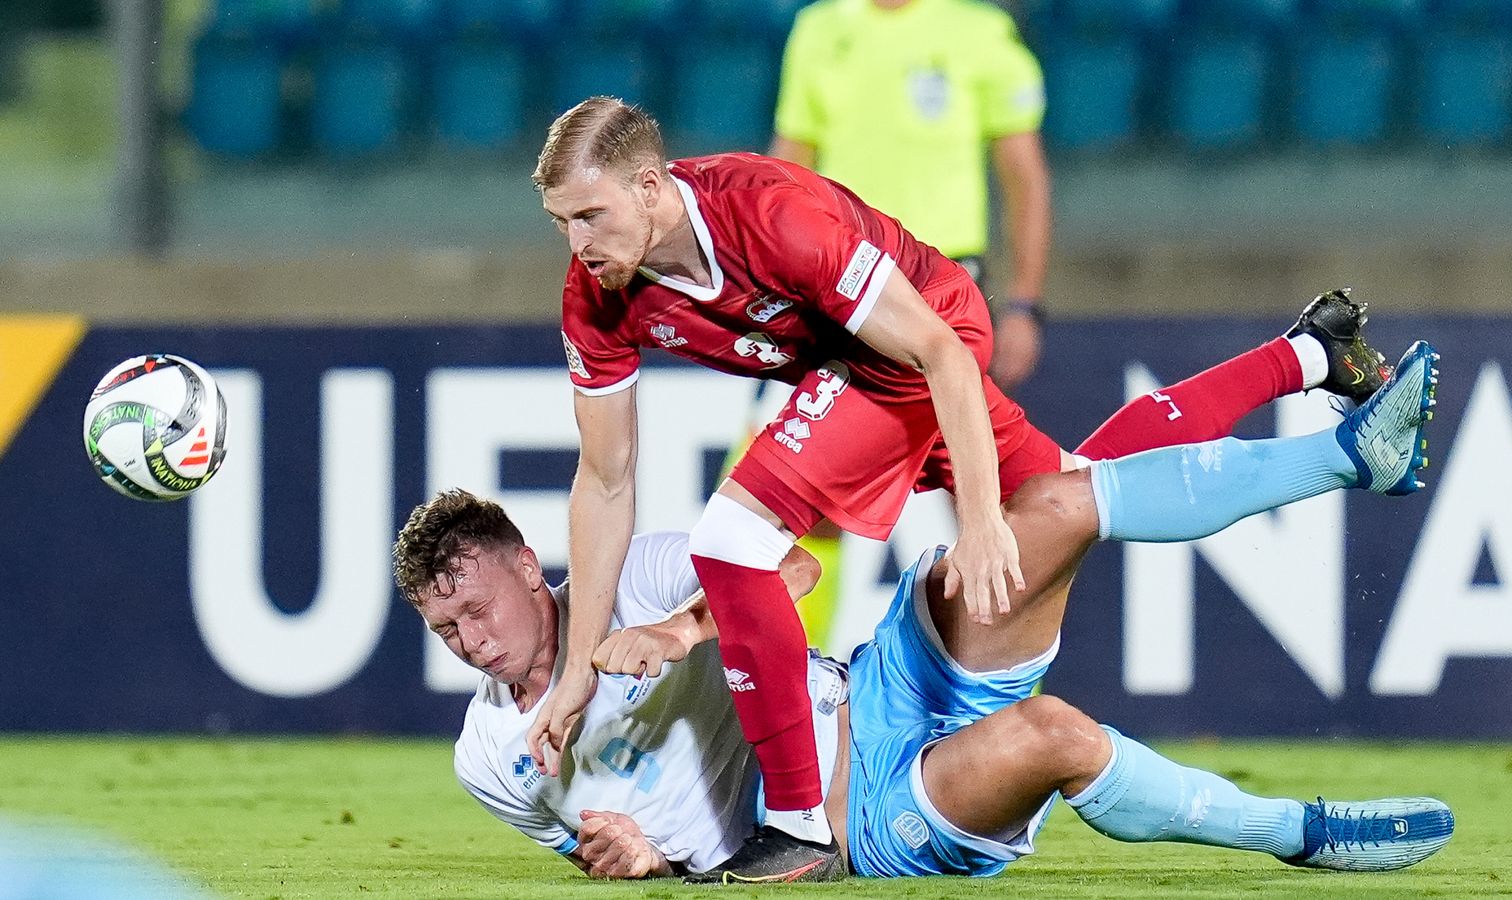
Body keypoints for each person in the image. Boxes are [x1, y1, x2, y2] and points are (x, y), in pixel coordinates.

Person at [528, 95, 1392, 879]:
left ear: (650, 185)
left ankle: (797, 827)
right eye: (561, 221)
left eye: (590, 215)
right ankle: (1315, 352)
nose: (578, 243)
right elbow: (606, 479)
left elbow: (939, 349)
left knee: (732, 540)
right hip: (845, 369)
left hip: (925, 340)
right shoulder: (594, 294)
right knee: (1073, 494)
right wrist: (574, 671)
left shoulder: (773, 216)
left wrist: (977, 520)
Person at [398, 334, 1446, 882]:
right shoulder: (487, 758)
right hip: (865, 825)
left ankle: (1345, 446)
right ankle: (1300, 835)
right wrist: (639, 864)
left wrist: (679, 628)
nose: (469, 643)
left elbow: (793, 578)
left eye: (477, 611)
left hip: (882, 683)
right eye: (446, 632)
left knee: (1055, 503)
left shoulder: (639, 576)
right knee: (1053, 735)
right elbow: (604, 857)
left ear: (531, 571)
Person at [770, 0, 1052, 392]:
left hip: (944, 284)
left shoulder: (981, 32)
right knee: (829, 444)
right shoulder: (817, 28)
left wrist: (1024, 305)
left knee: (951, 445)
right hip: (841, 276)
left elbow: (1024, 180)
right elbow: (789, 167)